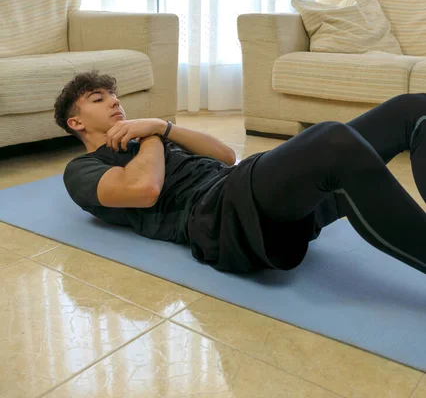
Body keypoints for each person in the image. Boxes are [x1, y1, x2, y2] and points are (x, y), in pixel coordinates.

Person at [54, 70, 426, 276]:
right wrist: (151, 135)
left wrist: (164, 127)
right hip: (217, 218)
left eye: (114, 96)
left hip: (248, 189)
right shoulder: (82, 169)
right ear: (76, 122)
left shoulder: (151, 139)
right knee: (332, 138)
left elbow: (226, 155)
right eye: (99, 99)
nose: (115, 102)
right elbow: (145, 188)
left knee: (410, 110)